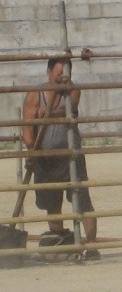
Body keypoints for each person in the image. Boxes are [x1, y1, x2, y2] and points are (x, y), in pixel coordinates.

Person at [22, 58, 100, 259]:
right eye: (59, 74)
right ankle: (60, 243)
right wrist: (31, 150)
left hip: (70, 156)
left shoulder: (72, 90)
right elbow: (27, 125)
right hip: (45, 158)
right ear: (49, 72)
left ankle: (91, 246)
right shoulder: (35, 93)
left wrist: (44, 114)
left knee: (82, 202)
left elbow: (69, 110)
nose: (62, 78)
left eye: (66, 74)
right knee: (52, 203)